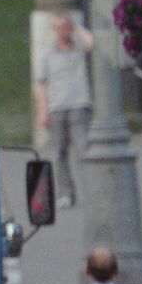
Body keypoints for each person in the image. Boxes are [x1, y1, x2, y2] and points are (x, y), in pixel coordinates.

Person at [35, 13, 93, 207]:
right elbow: (41, 86)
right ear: (54, 29)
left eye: (66, 26)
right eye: (59, 27)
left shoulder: (78, 50)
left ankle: (90, 192)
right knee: (59, 153)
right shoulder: (47, 56)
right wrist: (43, 112)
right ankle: (65, 193)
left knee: (83, 149)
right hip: (56, 107)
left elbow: (92, 44)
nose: (63, 31)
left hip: (79, 105)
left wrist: (76, 27)